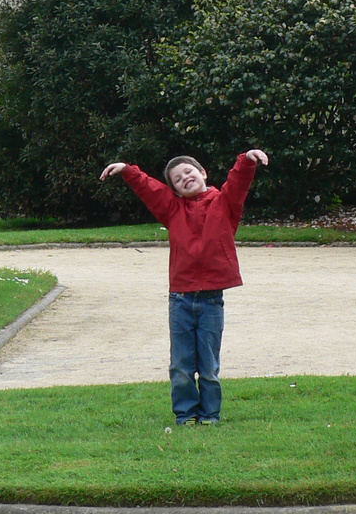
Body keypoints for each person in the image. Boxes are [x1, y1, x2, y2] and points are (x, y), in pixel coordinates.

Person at [99, 149, 268, 425]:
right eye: (177, 179)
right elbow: (150, 189)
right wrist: (128, 170)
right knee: (181, 364)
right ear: (175, 190)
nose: (184, 178)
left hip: (212, 299)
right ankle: (186, 414)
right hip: (180, 299)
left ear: (203, 174)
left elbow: (238, 182)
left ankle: (210, 415)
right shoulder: (172, 209)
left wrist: (247, 159)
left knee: (209, 366)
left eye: (188, 172)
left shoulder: (226, 204)